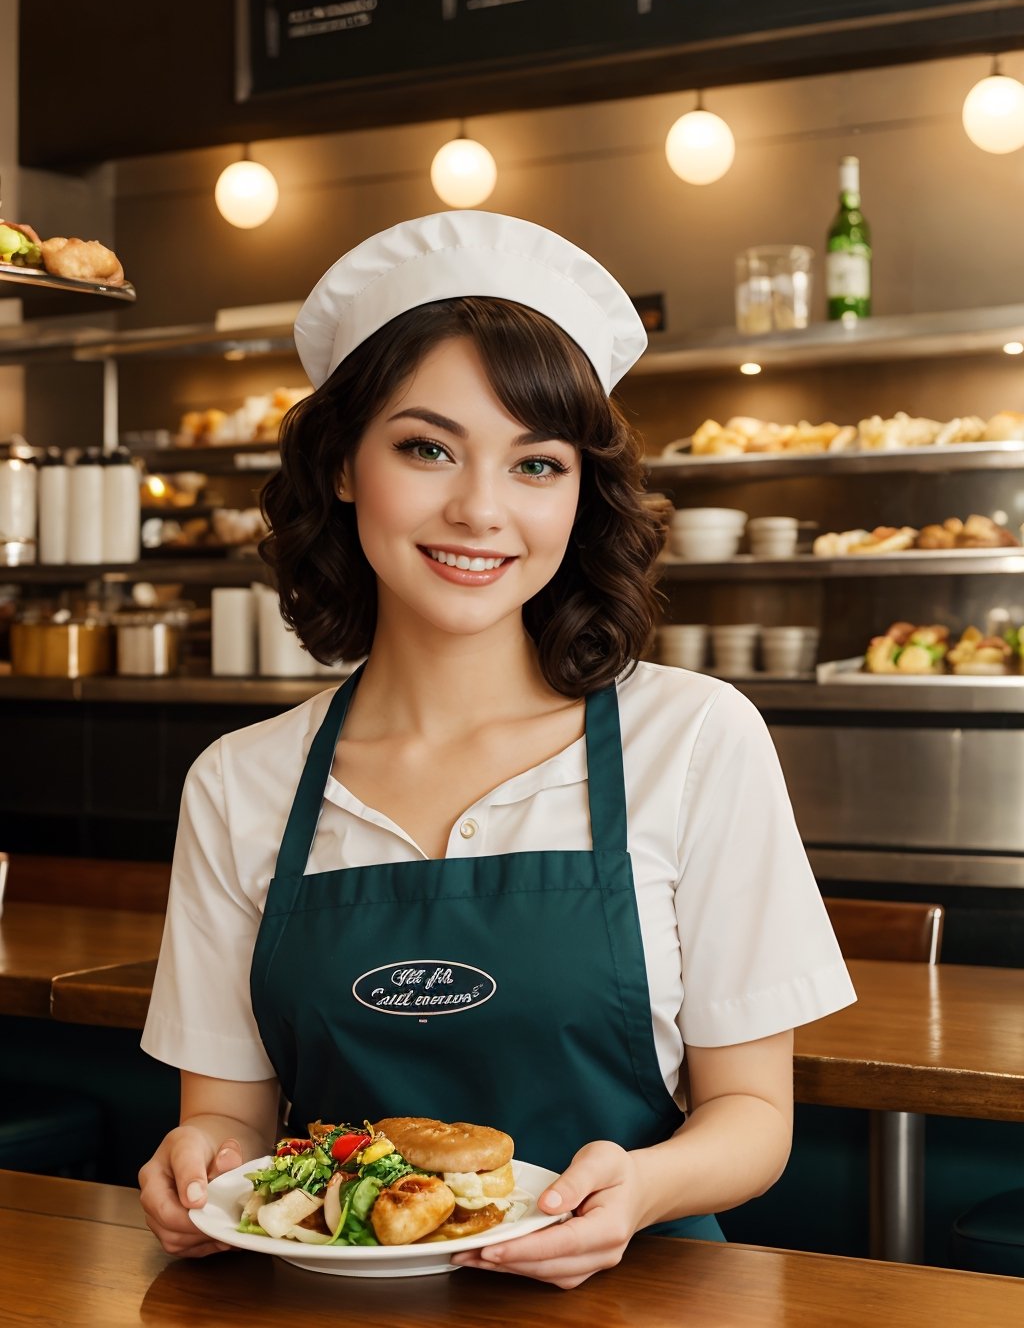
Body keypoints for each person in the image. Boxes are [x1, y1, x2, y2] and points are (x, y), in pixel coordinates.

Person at [138, 209, 855, 1289]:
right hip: (339, 1313)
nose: (479, 509)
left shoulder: (693, 739)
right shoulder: (242, 782)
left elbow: (752, 1118)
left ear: (580, 492)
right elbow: (229, 1115)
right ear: (342, 463)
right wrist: (204, 1168)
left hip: (634, 1296)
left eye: (537, 464)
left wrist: (641, 1188)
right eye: (427, 448)